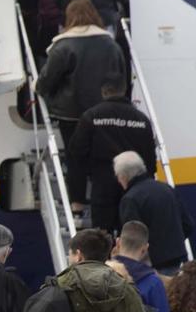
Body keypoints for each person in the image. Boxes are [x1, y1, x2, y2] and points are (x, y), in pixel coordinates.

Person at [67, 83, 157, 231]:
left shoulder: (92, 115)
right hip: (134, 185)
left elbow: (76, 150)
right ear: (125, 92)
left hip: (103, 183)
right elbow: (150, 157)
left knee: (102, 233)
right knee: (131, 231)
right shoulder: (142, 119)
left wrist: (84, 180)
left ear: (103, 93)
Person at [37, 0, 127, 133]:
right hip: (105, 111)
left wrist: (37, 86)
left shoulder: (62, 46)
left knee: (74, 152)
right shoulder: (112, 45)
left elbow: (45, 81)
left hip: (70, 114)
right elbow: (122, 78)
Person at [115, 151, 195, 274]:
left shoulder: (130, 199)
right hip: (176, 262)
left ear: (124, 176)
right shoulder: (166, 189)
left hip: (150, 268)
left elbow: (133, 240)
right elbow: (188, 225)